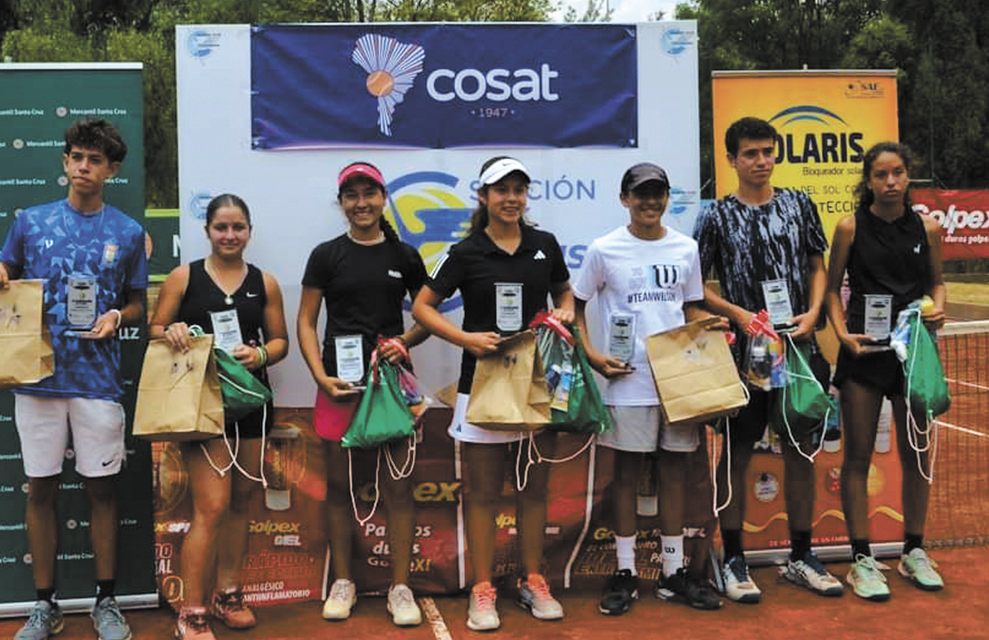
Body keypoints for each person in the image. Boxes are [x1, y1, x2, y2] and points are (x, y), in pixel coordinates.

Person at [0, 119, 146, 640]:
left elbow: (140, 302)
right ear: (65, 162)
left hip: (98, 381)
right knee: (41, 491)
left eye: (95, 160)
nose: (83, 168)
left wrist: (119, 316)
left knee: (102, 492)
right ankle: (45, 605)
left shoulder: (129, 232)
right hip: (37, 379)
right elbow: (2, 272)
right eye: (75, 157)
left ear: (112, 169)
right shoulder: (29, 222)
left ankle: (106, 601)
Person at [412, 156, 573, 632]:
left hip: (536, 381)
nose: (511, 199)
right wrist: (466, 339)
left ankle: (533, 580)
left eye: (518, 190)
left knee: (533, 489)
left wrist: (564, 313)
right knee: (482, 494)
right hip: (480, 384)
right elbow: (423, 308)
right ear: (482, 197)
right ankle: (483, 590)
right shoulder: (464, 252)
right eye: (500, 190)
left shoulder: (545, 245)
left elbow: (565, 293)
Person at [693, 117, 844, 602]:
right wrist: (738, 315)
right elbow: (694, 289)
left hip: (800, 348)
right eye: (751, 153)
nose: (762, 161)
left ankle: (801, 556)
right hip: (748, 354)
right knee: (736, 454)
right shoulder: (715, 217)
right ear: (732, 159)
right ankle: (732, 559)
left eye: (768, 152)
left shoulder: (800, 205)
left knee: (802, 452)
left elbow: (817, 266)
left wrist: (814, 311)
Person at [573, 163, 723, 614]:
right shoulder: (604, 249)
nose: (651, 202)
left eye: (658, 194)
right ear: (625, 199)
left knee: (675, 473)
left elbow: (691, 307)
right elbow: (576, 306)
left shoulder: (686, 248)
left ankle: (674, 572)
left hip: (679, 383)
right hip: (628, 381)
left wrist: (712, 327)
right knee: (627, 477)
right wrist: (594, 356)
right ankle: (625, 571)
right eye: (641, 194)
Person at [296, 162, 429, 627]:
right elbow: (306, 322)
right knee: (339, 486)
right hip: (339, 385)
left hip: (391, 386)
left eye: (369, 193)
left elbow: (426, 316)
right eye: (351, 195)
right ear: (342, 203)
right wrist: (318, 376)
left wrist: (403, 343)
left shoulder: (405, 255)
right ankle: (344, 582)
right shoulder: (326, 255)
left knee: (398, 487)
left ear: (383, 196)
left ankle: (400, 587)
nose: (361, 203)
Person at [150, 194, 289, 639]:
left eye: (239, 227)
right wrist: (168, 330)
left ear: (250, 231)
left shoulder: (264, 282)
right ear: (207, 231)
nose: (230, 236)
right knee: (210, 507)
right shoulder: (183, 277)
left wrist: (262, 352)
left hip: (251, 402)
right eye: (221, 228)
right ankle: (191, 611)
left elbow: (281, 340)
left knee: (240, 502)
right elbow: (154, 328)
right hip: (202, 404)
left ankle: (227, 594)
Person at [825, 141, 947, 601]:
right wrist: (841, 333)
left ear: (909, 175)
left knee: (917, 454)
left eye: (897, 173)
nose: (891, 182)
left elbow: (936, 282)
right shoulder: (850, 227)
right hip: (864, 352)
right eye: (881, 175)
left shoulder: (928, 229)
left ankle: (914, 551)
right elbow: (834, 290)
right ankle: (862, 559)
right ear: (869, 180)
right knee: (857, 457)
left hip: (913, 352)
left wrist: (942, 307)